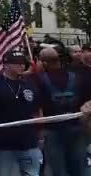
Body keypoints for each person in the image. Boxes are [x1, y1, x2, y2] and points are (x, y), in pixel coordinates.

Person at [34, 47, 86, 176]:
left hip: (52, 131)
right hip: (77, 127)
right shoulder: (77, 77)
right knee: (78, 168)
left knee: (58, 170)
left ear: (44, 63)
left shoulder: (37, 80)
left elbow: (35, 107)